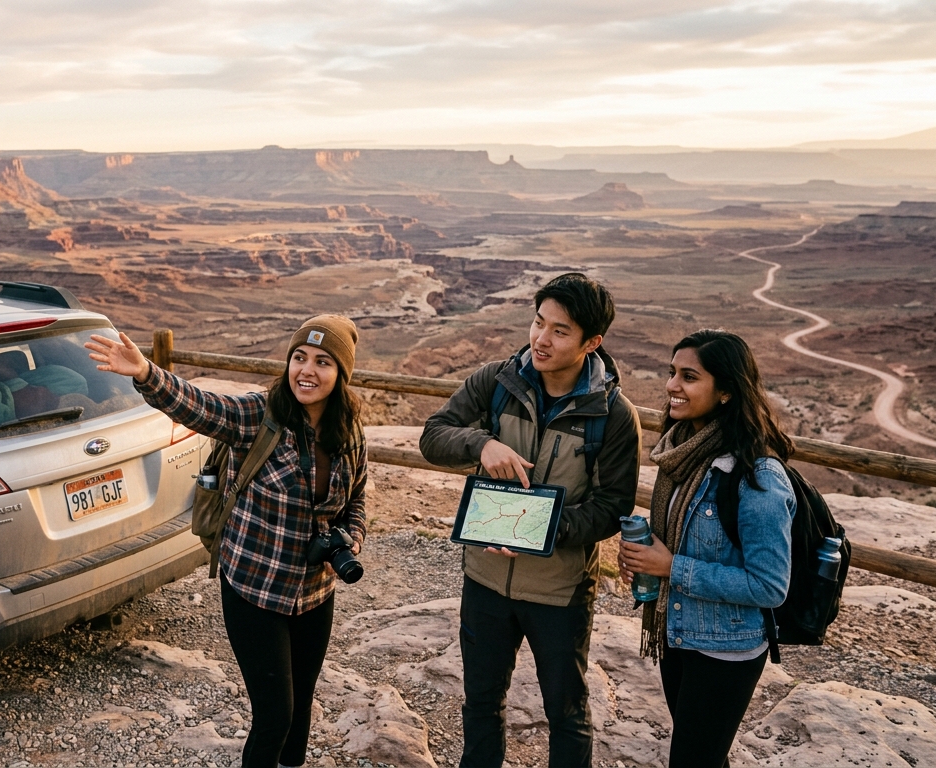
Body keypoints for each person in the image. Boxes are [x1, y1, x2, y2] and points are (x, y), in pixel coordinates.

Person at [86, 315, 366, 768]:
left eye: (322, 361)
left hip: (315, 594)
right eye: (298, 358)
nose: (306, 371)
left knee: (301, 710)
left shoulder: (350, 430)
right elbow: (200, 405)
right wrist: (145, 373)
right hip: (255, 589)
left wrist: (350, 539)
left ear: (341, 374)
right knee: (275, 714)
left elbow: (356, 500)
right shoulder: (259, 416)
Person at [419, 273, 642, 768]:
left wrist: (541, 530)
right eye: (538, 322)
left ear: (592, 342)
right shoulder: (496, 382)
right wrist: (481, 443)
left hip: (558, 593)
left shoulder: (614, 415)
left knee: (565, 713)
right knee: (480, 705)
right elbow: (433, 436)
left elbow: (613, 506)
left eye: (560, 330)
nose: (541, 338)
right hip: (484, 580)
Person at [619, 329, 795, 768]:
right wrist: (646, 565)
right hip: (678, 633)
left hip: (725, 650)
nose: (672, 386)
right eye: (672, 372)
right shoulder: (681, 455)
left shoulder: (758, 477)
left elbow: (770, 587)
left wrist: (671, 566)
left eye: (689, 377)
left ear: (726, 392)